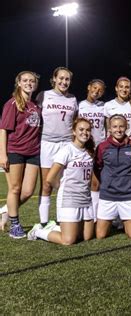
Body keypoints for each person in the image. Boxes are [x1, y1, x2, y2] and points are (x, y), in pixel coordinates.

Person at [27, 118, 96, 244]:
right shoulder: (66, 150)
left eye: (87, 130)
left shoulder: (90, 152)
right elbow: (49, 178)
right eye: (81, 129)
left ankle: (55, 227)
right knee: (68, 240)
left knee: (86, 237)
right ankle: (38, 231)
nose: (84, 133)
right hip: (68, 199)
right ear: (74, 132)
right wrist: (61, 187)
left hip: (86, 199)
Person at [0, 71, 41, 238]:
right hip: (15, 150)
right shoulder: (12, 104)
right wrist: (2, 154)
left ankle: (4, 211)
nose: (29, 83)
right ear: (19, 83)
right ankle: (15, 225)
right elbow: (3, 130)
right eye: (25, 80)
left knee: (28, 191)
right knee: (15, 189)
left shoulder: (35, 106)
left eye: (32, 81)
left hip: (33, 152)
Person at [36, 67, 78, 228]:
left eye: (67, 79)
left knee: (65, 184)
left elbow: (74, 121)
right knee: (47, 184)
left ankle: (62, 221)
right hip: (47, 143)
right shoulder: (43, 95)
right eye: (61, 78)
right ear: (54, 78)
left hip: (66, 144)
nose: (64, 82)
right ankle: (43, 223)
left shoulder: (72, 99)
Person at [94, 114, 131, 239]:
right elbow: (97, 168)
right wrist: (107, 183)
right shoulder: (102, 147)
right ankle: (115, 221)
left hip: (128, 195)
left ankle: (122, 220)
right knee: (100, 235)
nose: (118, 130)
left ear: (126, 127)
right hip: (108, 196)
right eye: (115, 127)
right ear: (109, 128)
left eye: (121, 126)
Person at [78, 79, 106, 224]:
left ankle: (95, 217)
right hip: (85, 148)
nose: (96, 91)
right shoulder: (80, 105)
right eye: (94, 88)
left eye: (100, 90)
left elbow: (106, 127)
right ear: (88, 87)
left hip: (99, 148)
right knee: (82, 182)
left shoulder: (103, 106)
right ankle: (81, 214)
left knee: (96, 183)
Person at [104, 77, 131, 141]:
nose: (124, 89)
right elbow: (108, 128)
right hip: (114, 141)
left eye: (127, 87)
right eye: (121, 86)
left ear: (130, 89)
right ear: (116, 88)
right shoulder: (108, 104)